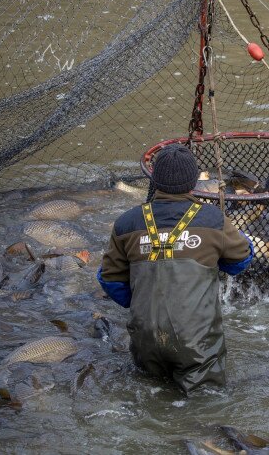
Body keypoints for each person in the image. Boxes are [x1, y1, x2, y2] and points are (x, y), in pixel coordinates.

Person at [97, 144, 253, 393]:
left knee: (149, 394)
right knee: (206, 405)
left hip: (144, 340)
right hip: (196, 345)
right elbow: (240, 261)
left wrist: (141, 300)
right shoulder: (213, 219)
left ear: (154, 180)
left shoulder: (126, 223)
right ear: (194, 183)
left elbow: (110, 280)